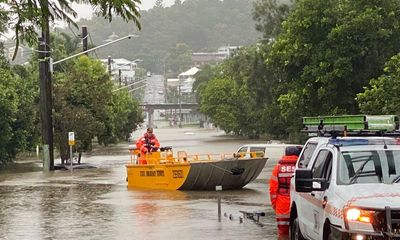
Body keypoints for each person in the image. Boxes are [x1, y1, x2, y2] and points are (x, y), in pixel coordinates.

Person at [269, 145, 302, 238]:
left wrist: (274, 205)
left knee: (283, 233)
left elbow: (273, 189)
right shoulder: (301, 167)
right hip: (299, 204)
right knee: (298, 232)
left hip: (282, 204)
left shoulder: (278, 168)